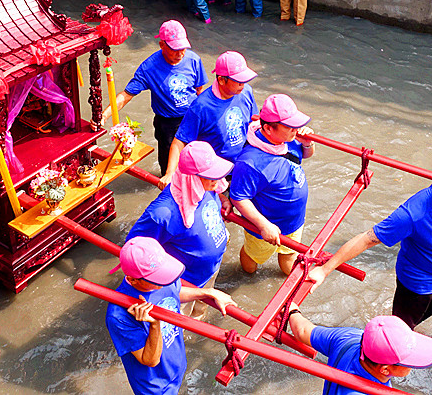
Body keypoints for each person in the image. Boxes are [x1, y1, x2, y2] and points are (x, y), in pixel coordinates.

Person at [309, 158, 432, 329]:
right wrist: (324, 270)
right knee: (400, 330)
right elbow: (366, 239)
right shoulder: (412, 215)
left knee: (429, 312)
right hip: (417, 288)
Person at [106, 236, 235, 394]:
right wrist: (154, 324)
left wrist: (207, 293)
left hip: (176, 364)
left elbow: (175, 291)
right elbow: (150, 360)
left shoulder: (163, 279)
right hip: (156, 386)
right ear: (133, 280)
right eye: (156, 278)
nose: (164, 281)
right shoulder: (119, 315)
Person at [126, 141, 233, 318]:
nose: (217, 180)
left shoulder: (209, 186)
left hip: (209, 269)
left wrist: (223, 200)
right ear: (191, 178)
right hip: (184, 283)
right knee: (180, 322)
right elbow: (134, 248)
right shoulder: (163, 214)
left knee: (200, 312)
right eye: (210, 176)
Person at [103, 20, 208, 174]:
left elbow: (200, 91)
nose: (180, 54)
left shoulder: (193, 60)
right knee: (168, 167)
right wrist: (104, 115)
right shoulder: (149, 68)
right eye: (174, 49)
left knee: (196, 160)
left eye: (183, 48)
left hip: (191, 117)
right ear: (162, 45)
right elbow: (126, 95)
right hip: (167, 124)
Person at [231, 94, 315, 275]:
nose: (296, 129)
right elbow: (238, 197)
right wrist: (263, 225)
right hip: (268, 225)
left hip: (295, 221)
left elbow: (305, 155)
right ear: (268, 129)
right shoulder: (250, 163)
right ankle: (245, 273)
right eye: (289, 126)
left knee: (288, 258)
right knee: (252, 261)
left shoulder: (289, 140)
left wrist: (307, 144)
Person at [158, 51, 258, 190]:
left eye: (244, 80)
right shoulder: (201, 106)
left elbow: (254, 123)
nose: (243, 84)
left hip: (241, 164)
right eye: (239, 81)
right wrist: (169, 173)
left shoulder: (246, 92)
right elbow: (180, 141)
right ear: (222, 80)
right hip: (215, 174)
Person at [287, 303, 432, 394]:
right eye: (408, 363)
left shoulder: (351, 337)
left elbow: (303, 331)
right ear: (385, 370)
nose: (412, 366)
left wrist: (292, 311)